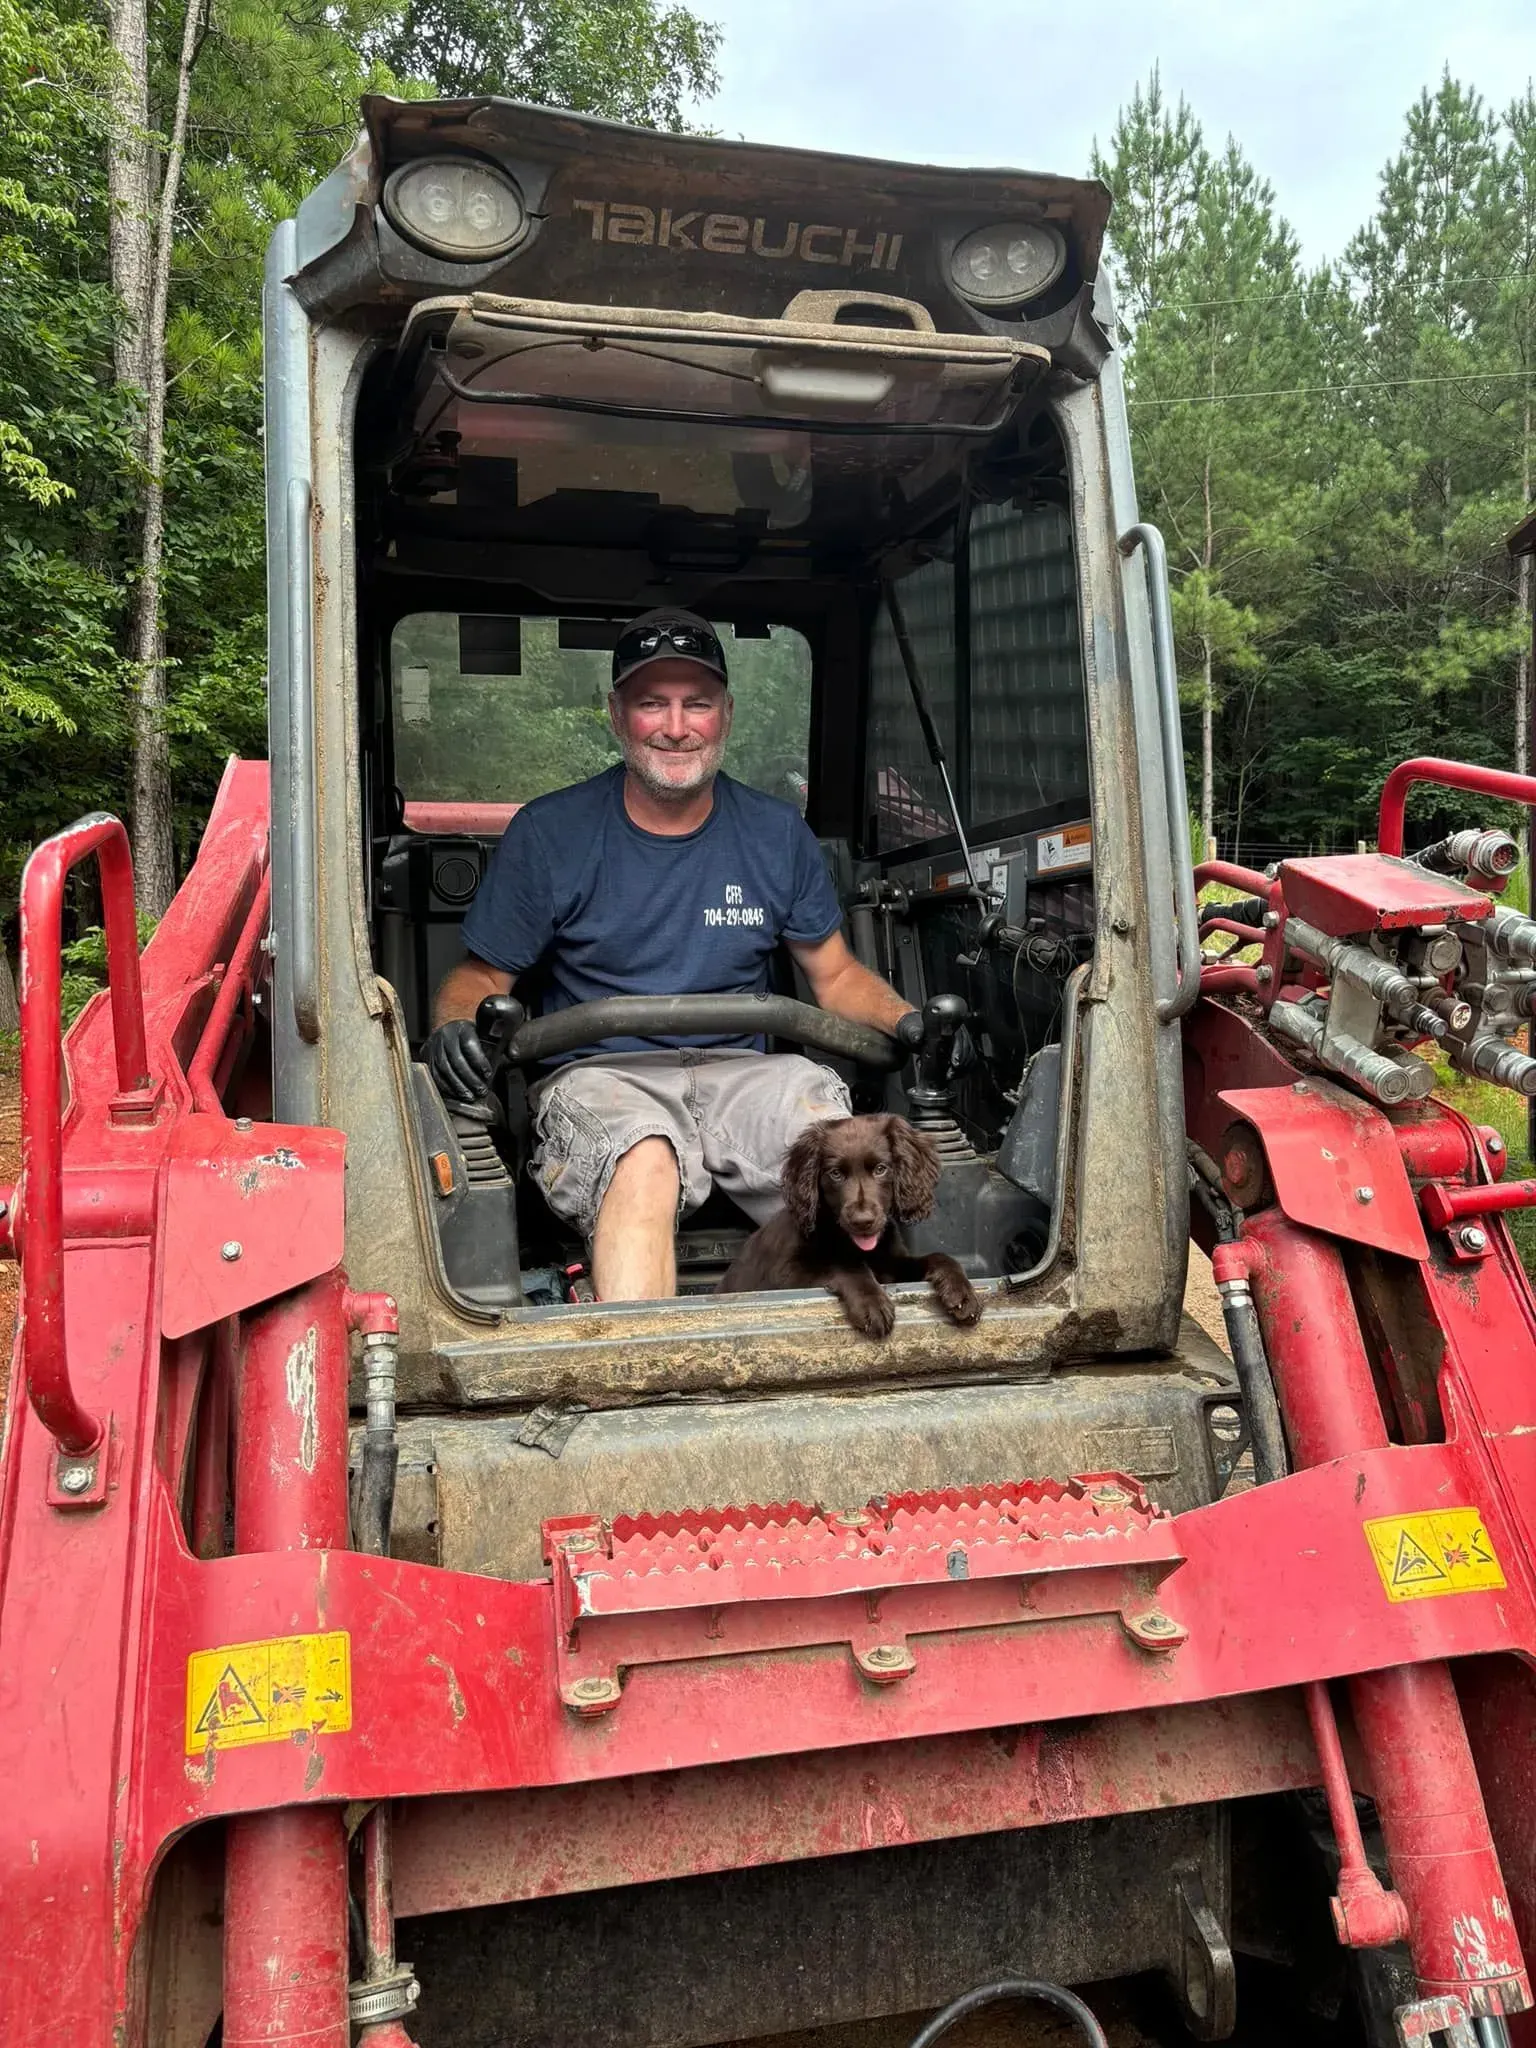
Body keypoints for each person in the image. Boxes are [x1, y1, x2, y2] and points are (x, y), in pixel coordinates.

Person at [426, 606, 917, 1302]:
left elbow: (834, 975)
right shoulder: (550, 833)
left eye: (698, 704)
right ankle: (641, 1390)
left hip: (746, 1074)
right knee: (644, 1161)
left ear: (727, 715)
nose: (677, 726)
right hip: (605, 1075)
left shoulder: (776, 834)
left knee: (832, 1150)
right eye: (653, 703)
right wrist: (454, 1023)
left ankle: (844, 1380)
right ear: (617, 715)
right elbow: (479, 976)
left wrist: (907, 1021)